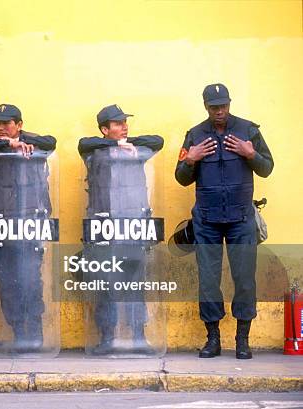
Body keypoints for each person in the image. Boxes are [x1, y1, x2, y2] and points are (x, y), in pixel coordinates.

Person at [175, 84, 274, 359]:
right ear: (206, 106)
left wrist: (250, 153)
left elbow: (267, 168)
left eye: (224, 105)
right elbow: (181, 177)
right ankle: (213, 339)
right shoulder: (194, 136)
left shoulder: (248, 131)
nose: (220, 111)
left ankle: (243, 340)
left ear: (230, 103)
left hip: (241, 218)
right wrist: (191, 160)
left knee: (244, 279)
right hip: (207, 220)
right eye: (214, 107)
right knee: (208, 281)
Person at [78, 104, 164, 355]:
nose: (124, 125)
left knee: (136, 285)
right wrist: (117, 145)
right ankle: (107, 338)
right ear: (104, 129)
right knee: (106, 285)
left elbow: (157, 140)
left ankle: (138, 337)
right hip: (105, 228)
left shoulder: (137, 149)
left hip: (134, 226)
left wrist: (127, 143)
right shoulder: (95, 151)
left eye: (125, 121)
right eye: (117, 124)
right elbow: (84, 143)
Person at [0, 104, 56, 352]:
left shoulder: (33, 143)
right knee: (8, 282)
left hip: (29, 224)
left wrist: (22, 141)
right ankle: (19, 332)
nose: (0, 127)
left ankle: (35, 330)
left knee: (31, 280)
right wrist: (9, 144)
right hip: (1, 225)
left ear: (19, 124)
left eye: (6, 123)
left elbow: (51, 141)